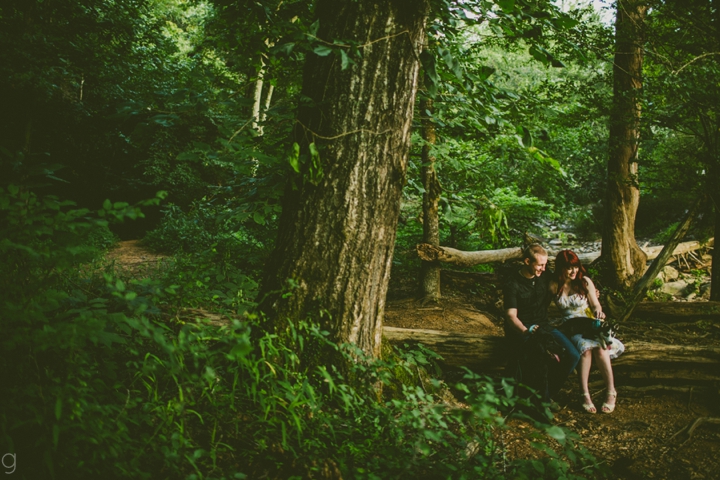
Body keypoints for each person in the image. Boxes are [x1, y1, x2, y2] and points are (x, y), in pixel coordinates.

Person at [504, 244, 580, 409]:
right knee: (540, 354)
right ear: (526, 261)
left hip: (543, 326)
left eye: (545, 265)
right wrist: (526, 331)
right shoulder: (512, 283)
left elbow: (567, 280)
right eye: (540, 265)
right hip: (521, 330)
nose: (543, 268)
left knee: (573, 355)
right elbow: (511, 316)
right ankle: (542, 405)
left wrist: (590, 293)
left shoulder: (544, 276)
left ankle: (546, 395)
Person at [550, 250, 625, 414]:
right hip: (570, 326)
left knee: (600, 347)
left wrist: (599, 312)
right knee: (585, 349)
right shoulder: (554, 285)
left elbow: (595, 304)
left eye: (575, 267)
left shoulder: (584, 282)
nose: (573, 271)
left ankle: (611, 391)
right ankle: (584, 394)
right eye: (569, 268)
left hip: (589, 321)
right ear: (561, 268)